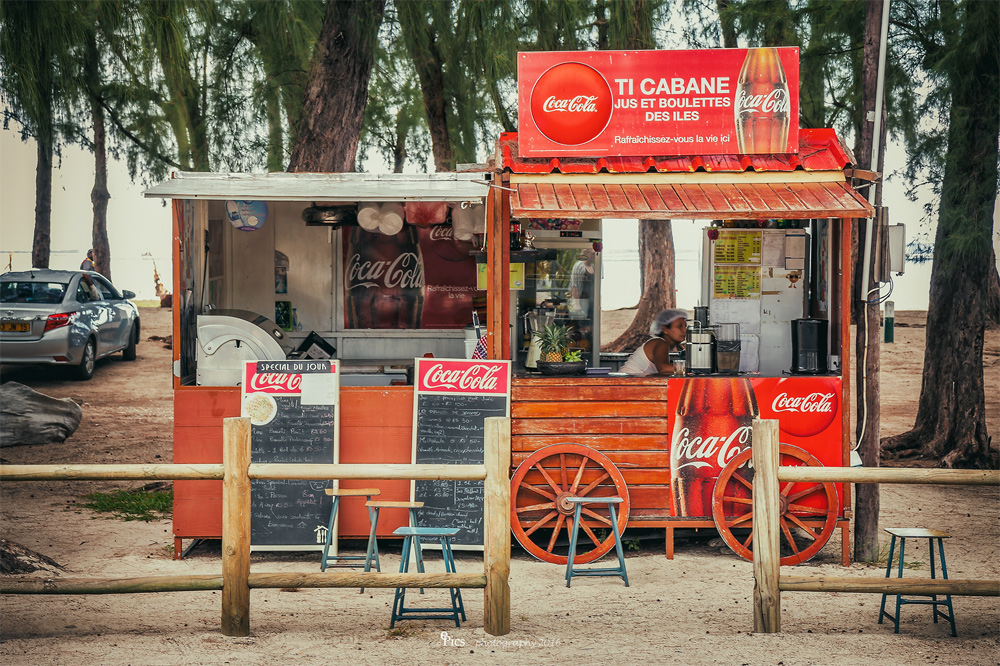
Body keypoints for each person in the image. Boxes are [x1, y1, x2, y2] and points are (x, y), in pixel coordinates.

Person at [621, 309, 688, 376]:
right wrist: (693, 368)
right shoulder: (660, 343)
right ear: (665, 329)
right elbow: (664, 369)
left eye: (685, 326)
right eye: (680, 326)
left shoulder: (672, 346)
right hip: (626, 383)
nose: (685, 330)